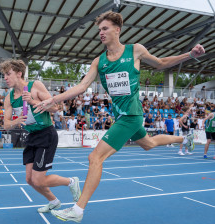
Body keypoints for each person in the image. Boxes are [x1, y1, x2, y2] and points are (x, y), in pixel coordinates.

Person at [34, 11, 202, 222]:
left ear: (117, 30)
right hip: (121, 116)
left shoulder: (135, 51)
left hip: (131, 115)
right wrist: (53, 99)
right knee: (148, 143)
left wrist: (190, 55)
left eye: (105, 29)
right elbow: (82, 86)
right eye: (99, 30)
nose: (101, 33)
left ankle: (78, 210)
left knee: (95, 158)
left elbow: (161, 63)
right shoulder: (99, 61)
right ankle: (184, 138)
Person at [0, 59, 81, 214]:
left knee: (38, 179)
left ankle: (71, 182)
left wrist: (32, 101)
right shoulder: (9, 98)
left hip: (46, 134)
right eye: (4, 75)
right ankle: (54, 201)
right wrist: (16, 121)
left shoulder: (35, 86)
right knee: (30, 180)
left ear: (19, 73)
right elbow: (6, 125)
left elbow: (55, 108)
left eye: (8, 74)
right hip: (31, 136)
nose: (5, 78)